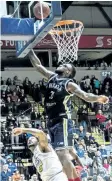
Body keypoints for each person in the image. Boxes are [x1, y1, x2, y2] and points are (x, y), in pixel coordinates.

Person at [29, 50, 109, 181]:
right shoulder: (52, 76)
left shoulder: (69, 84)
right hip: (51, 120)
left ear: (68, 72)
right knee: (61, 155)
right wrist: (29, 49)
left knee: (62, 153)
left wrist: (98, 98)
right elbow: (38, 66)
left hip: (62, 120)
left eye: (65, 66)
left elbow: (85, 96)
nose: (62, 65)